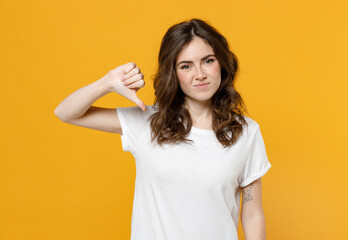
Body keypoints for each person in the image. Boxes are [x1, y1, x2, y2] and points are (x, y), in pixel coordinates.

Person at [55, 18, 272, 240]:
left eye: (208, 61)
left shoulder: (245, 132)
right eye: (186, 66)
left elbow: (252, 214)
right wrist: (108, 83)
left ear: (222, 64)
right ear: (173, 73)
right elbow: (66, 112)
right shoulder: (148, 122)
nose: (199, 74)